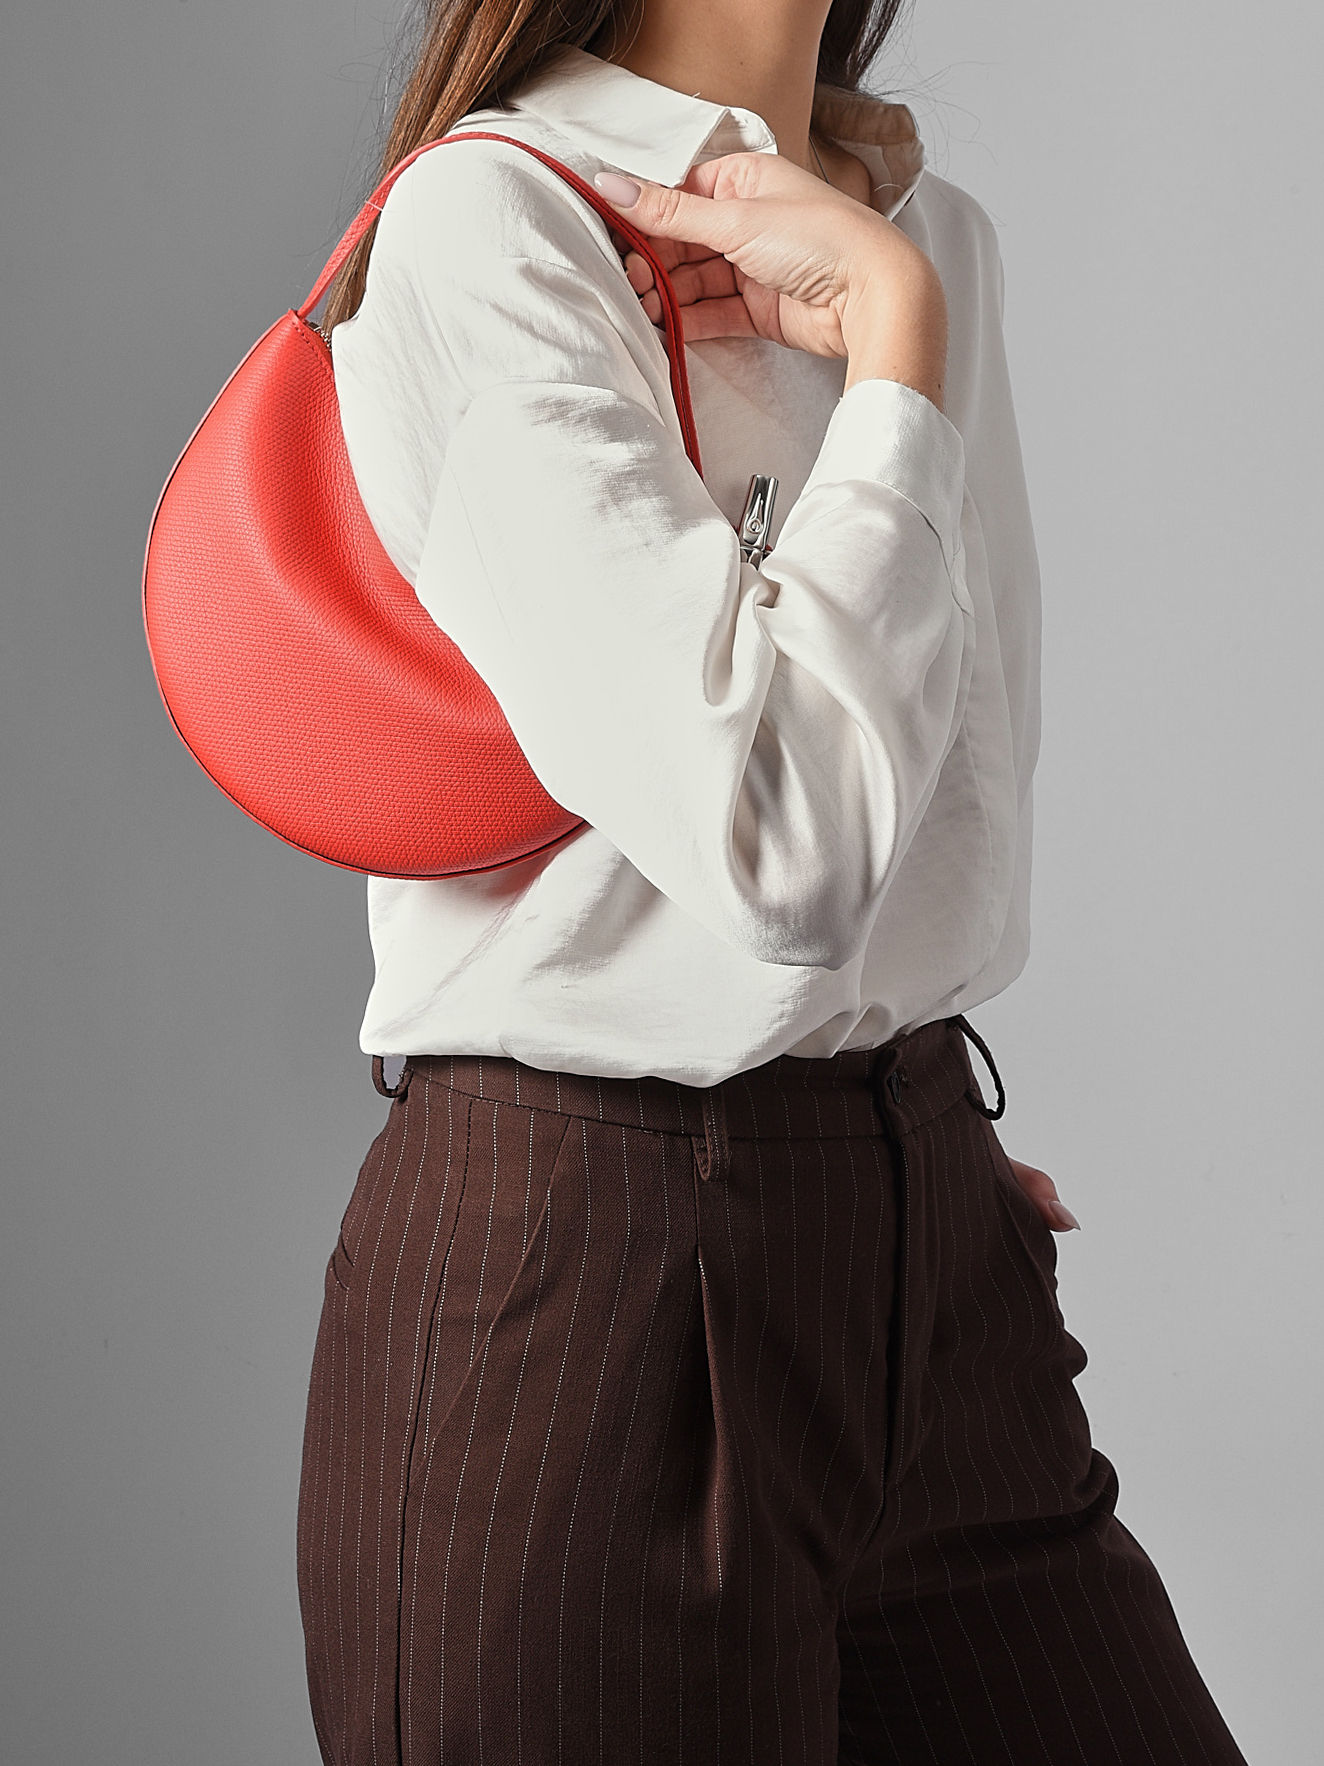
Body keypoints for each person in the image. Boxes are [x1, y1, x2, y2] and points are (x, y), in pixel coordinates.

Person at [295, 3, 1251, 1762]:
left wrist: (881, 1153)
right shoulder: (499, 222)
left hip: (927, 1264)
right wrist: (894, 352)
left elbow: (941, 801)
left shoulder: (927, 233)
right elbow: (784, 841)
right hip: (586, 1292)